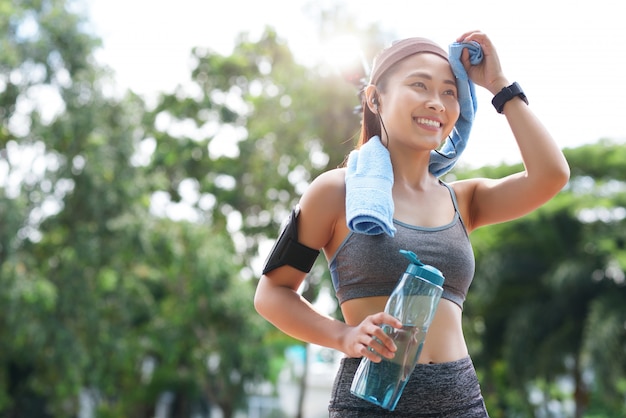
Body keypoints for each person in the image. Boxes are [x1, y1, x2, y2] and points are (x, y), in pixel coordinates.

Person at [254, 30, 570, 417]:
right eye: (419, 85)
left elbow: (551, 175)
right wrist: (344, 335)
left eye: (449, 92)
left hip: (460, 403)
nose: (435, 102)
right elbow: (272, 292)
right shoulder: (337, 192)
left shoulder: (464, 201)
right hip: (370, 403)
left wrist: (499, 86)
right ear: (375, 98)